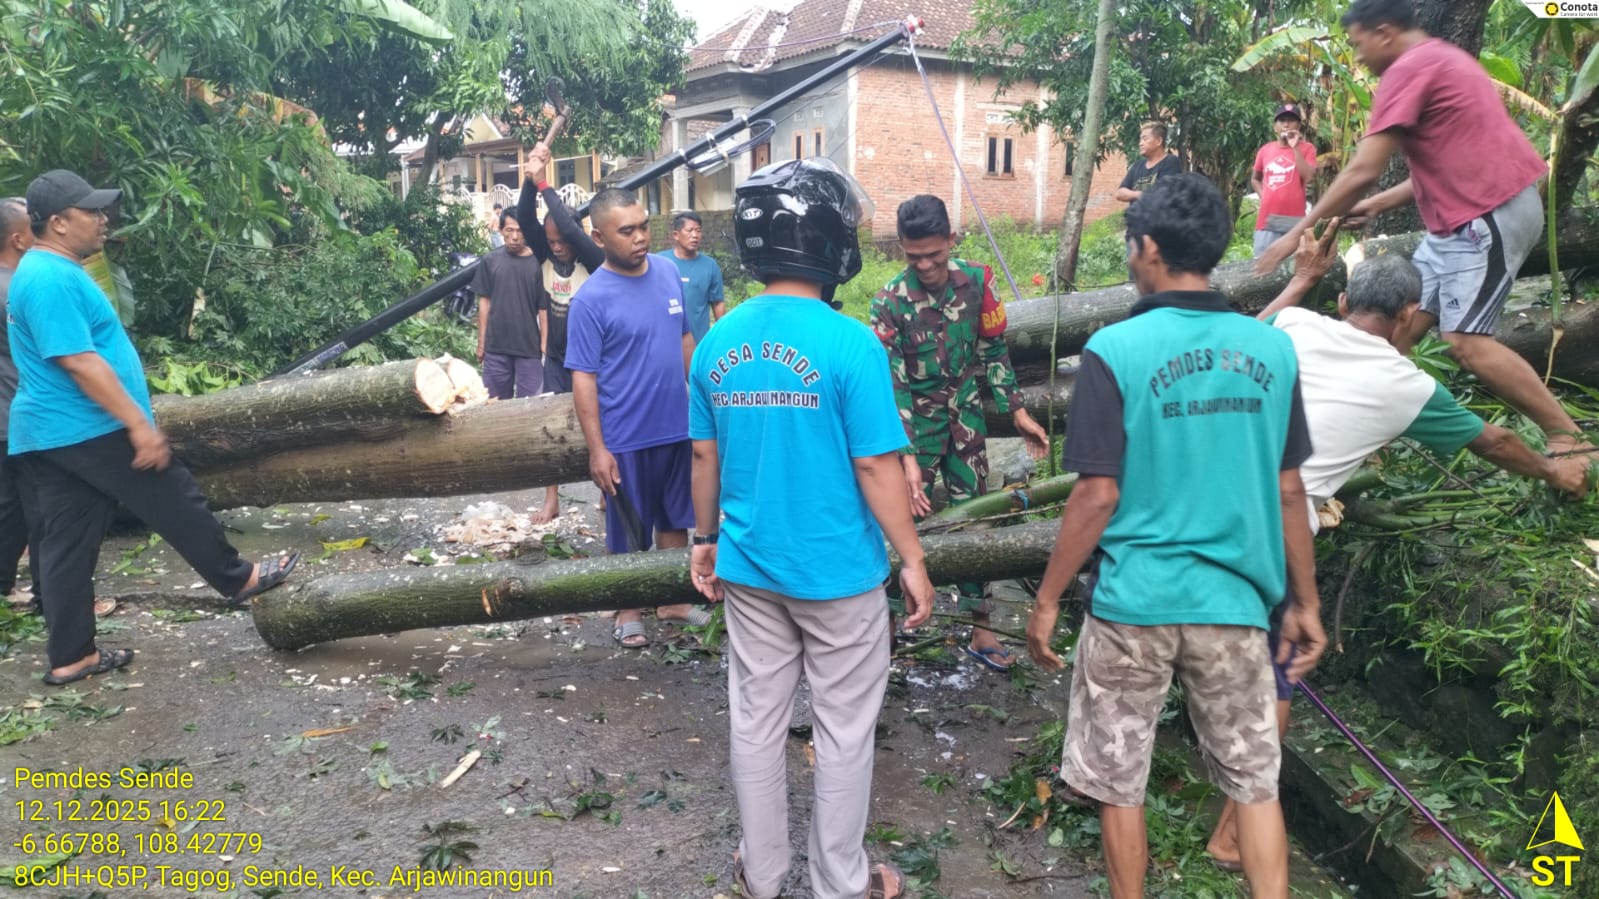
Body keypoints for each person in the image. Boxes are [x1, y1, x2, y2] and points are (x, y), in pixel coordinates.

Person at [1201, 230, 1590, 870]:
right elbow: (1493, 442)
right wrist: (1554, 469)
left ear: (1344, 300)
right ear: (1410, 314)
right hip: (1270, 531)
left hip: (1197, 499)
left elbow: (1236, 344)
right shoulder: (1407, 386)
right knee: (1273, 679)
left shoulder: (1293, 324)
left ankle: (1104, 777)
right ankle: (1230, 835)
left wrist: (1299, 281)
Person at [1025, 174, 1326, 899]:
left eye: (1132, 244)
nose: (1131, 257)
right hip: (1234, 604)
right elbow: (1289, 489)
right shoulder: (1271, 350)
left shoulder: (1113, 349)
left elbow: (1097, 494)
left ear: (1150, 247)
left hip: (1134, 604)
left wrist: (1047, 598)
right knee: (1255, 784)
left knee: (1118, 781)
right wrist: (1304, 602)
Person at [688, 156, 933, 899]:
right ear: (829, 240)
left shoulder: (717, 342)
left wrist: (703, 540)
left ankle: (762, 875)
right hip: (839, 575)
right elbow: (876, 466)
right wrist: (912, 558)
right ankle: (840, 882)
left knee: (755, 722)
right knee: (844, 731)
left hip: (750, 566)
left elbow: (703, 454)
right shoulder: (850, 342)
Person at [1254, 0, 1586, 455]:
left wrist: (1295, 234)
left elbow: (1362, 169)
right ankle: (1365, 431)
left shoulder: (1409, 69)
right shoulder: (1445, 60)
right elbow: (1440, 167)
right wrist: (1375, 204)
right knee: (1395, 334)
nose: (1358, 58)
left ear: (1384, 32)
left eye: (1359, 44)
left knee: (1466, 343)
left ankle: (1569, 439)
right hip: (1455, 223)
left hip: (1485, 215)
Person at [11, 170, 300, 686]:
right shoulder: (50, 277)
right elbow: (79, 361)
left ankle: (72, 656)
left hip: (51, 432)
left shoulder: (43, 270)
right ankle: (240, 579)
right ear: (57, 222)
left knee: (66, 543)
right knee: (174, 496)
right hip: (88, 425)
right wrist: (137, 425)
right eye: (91, 211)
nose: (103, 219)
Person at [869, 195, 1048, 671]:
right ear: (901, 248)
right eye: (914, 257)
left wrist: (1017, 411)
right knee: (899, 524)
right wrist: (906, 455)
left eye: (934, 254)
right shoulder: (888, 302)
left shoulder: (978, 282)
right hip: (916, 431)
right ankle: (887, 629)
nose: (926, 266)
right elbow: (892, 385)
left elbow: (993, 350)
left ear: (951, 239)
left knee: (976, 521)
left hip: (966, 425)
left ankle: (981, 627)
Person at [566, 188, 703, 647]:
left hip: (677, 425)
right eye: (627, 231)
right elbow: (583, 379)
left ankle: (673, 600)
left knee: (674, 519)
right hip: (625, 434)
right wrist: (597, 449)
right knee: (628, 527)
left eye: (643, 226)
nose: (640, 237)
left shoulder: (668, 273)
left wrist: (704, 401)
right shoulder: (590, 300)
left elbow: (684, 341)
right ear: (599, 237)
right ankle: (628, 609)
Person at [516, 142, 605, 524]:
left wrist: (543, 182)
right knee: (552, 429)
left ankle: (606, 492)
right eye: (550, 241)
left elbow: (568, 226)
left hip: (592, 362)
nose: (557, 246)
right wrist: (528, 178)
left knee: (599, 427)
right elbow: (524, 216)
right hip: (555, 359)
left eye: (561, 241)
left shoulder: (594, 258)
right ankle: (551, 499)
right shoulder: (546, 256)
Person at [0, 198, 40, 611]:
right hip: (15, 410)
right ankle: (22, 588)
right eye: (34, 226)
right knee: (28, 506)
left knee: (10, 502)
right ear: (18, 239)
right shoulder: (16, 289)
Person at [473, 209, 548, 400]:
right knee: (495, 405)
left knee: (532, 406)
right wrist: (481, 343)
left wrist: (544, 343)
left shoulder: (537, 263)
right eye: (509, 230)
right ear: (500, 230)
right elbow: (484, 303)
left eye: (520, 231)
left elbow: (543, 307)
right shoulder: (490, 261)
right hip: (496, 347)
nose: (515, 237)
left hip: (528, 347)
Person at [1251, 104, 1318, 259]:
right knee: (1263, 265)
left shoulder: (1307, 149)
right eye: (1281, 121)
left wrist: (1294, 147)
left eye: (1291, 120)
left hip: (1295, 223)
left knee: (1293, 267)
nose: (1286, 125)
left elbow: (1309, 176)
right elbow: (1255, 179)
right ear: (1275, 126)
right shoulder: (1265, 150)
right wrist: (1264, 196)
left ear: (1299, 125)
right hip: (1267, 221)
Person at [652, 212, 726, 342]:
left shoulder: (710, 266)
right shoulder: (659, 263)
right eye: (690, 230)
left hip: (699, 342)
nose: (695, 235)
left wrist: (723, 336)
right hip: (665, 342)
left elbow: (718, 303)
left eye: (698, 231)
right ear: (676, 235)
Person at [1114, 122, 1182, 204]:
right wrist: (1139, 195)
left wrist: (1133, 194)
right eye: (1140, 140)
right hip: (1136, 212)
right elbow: (1120, 193)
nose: (1140, 143)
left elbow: (1164, 194)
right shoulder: (1137, 165)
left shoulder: (1171, 162)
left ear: (1159, 141)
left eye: (1145, 139)